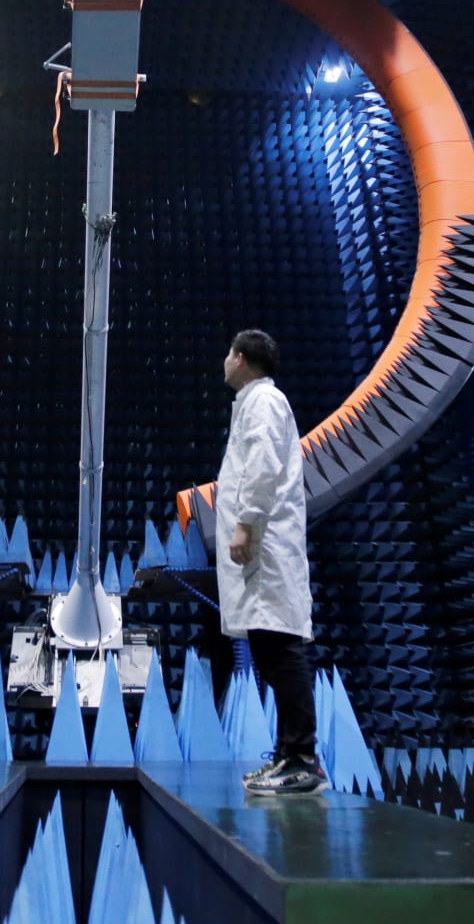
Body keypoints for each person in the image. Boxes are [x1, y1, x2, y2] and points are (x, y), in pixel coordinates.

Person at [214, 329, 327, 796]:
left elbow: (262, 466)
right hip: (262, 547)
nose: (224, 362)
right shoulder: (255, 403)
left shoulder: (264, 403)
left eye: (228, 354)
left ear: (240, 358)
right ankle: (287, 754)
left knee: (281, 650)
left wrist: (247, 522)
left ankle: (302, 759)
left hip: (267, 545)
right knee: (270, 649)